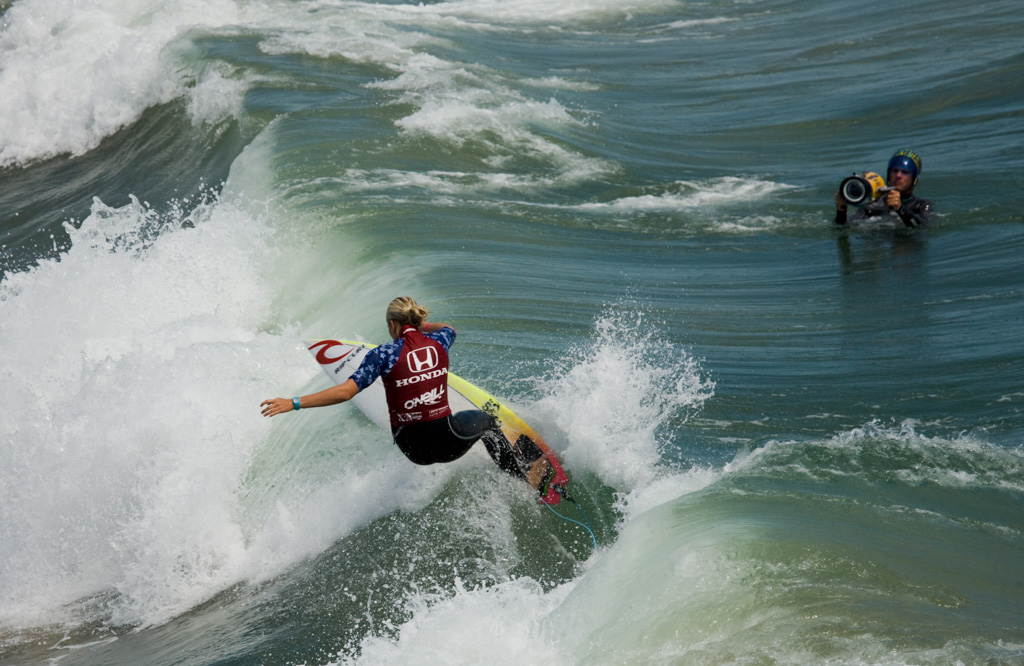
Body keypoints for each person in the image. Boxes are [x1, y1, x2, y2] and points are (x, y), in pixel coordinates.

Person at [261, 296, 519, 472]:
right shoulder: (440, 340)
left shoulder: (383, 354)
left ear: (392, 324)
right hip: (450, 440)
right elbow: (450, 327)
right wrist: (423, 326)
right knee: (488, 421)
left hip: (413, 449)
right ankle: (517, 474)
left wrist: (293, 403)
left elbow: (344, 392)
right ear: (418, 321)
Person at [834, 149, 935, 228]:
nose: (898, 175)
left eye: (905, 172)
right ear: (888, 174)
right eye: (895, 170)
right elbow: (843, 229)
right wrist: (841, 210)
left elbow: (925, 228)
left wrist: (900, 209)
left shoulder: (921, 205)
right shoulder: (872, 206)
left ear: (914, 180)